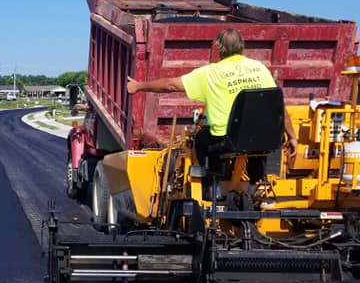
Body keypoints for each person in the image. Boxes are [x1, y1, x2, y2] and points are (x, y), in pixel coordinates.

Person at [127, 29, 298, 180]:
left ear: (219, 49)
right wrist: (292, 137)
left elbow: (170, 85)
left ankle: (212, 182)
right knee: (254, 141)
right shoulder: (259, 68)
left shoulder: (210, 73)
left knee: (200, 139)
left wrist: (139, 86)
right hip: (262, 137)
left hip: (226, 139)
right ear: (242, 46)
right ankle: (255, 183)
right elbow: (278, 107)